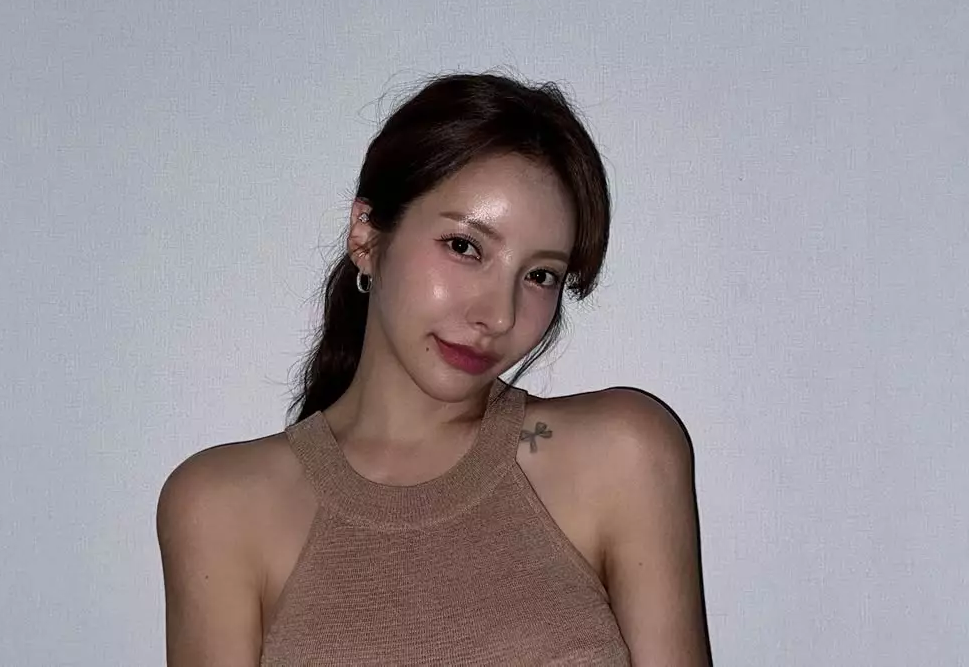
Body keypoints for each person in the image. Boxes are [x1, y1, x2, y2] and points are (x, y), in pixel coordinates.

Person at [157, 73, 711, 665]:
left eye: (540, 275)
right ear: (366, 235)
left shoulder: (623, 453)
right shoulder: (222, 507)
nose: (499, 315)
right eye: (465, 247)